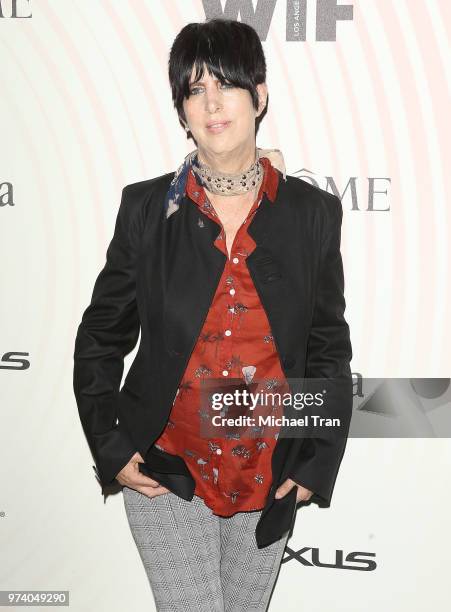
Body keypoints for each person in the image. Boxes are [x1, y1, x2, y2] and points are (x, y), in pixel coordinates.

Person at [73, 17, 353, 612]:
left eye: (226, 83)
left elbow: (327, 345)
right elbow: (101, 335)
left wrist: (315, 460)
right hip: (167, 469)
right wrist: (110, 443)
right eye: (195, 89)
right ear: (181, 109)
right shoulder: (147, 210)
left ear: (260, 96)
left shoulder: (312, 215)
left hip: (268, 474)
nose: (213, 103)